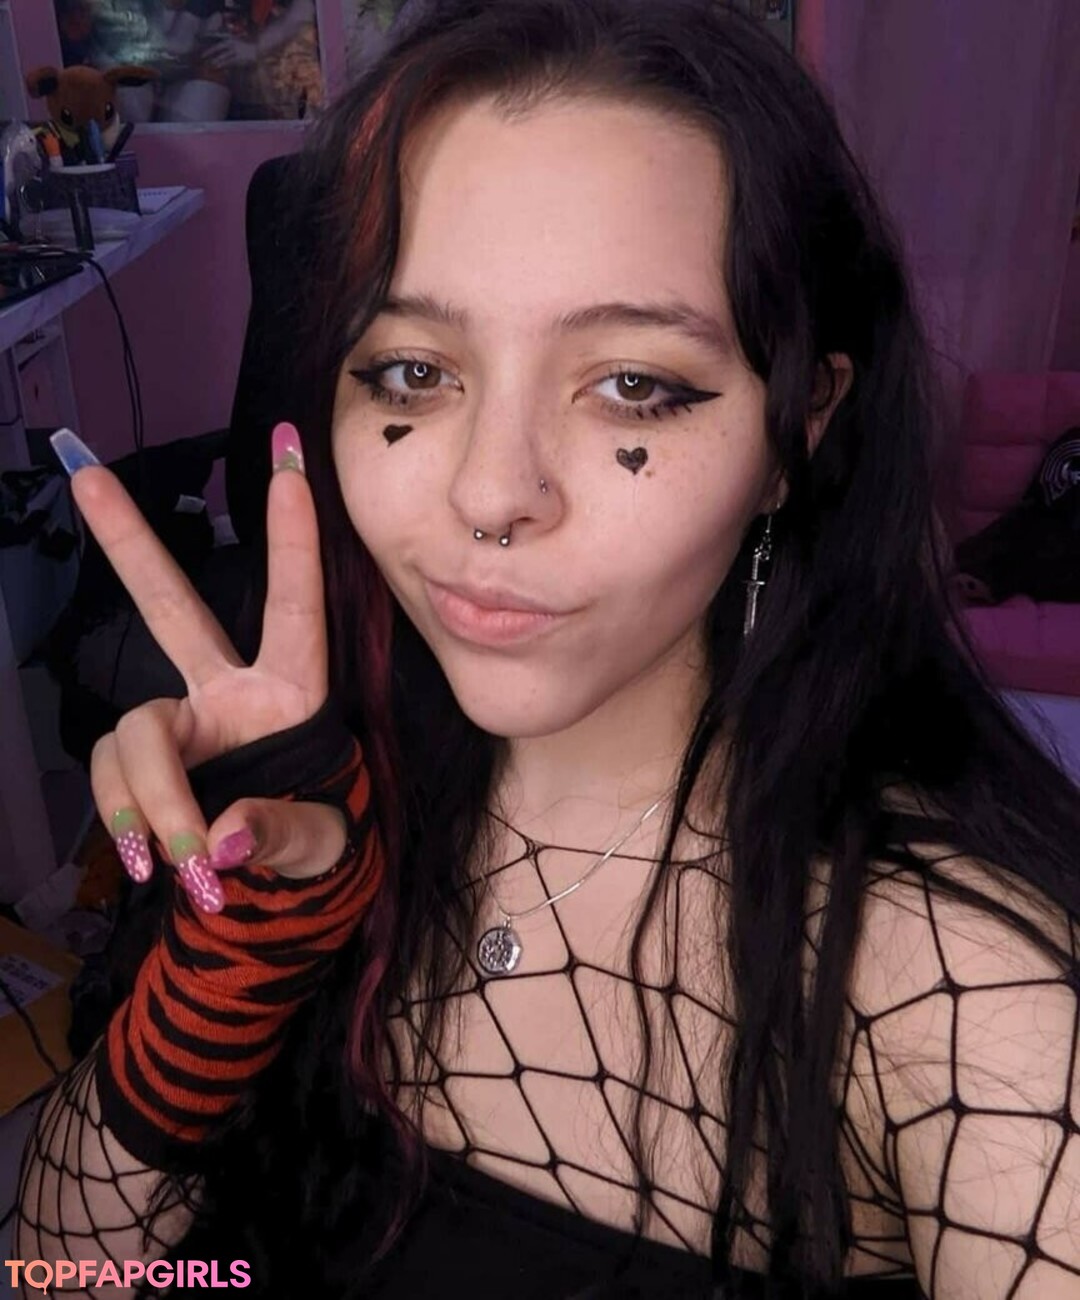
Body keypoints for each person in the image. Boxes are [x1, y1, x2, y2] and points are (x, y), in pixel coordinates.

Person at [15, 1, 1080, 1296]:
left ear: (797, 429)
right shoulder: (304, 801)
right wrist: (237, 963)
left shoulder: (957, 986)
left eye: (632, 384)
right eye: (413, 373)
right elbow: (60, 1268)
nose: (490, 494)